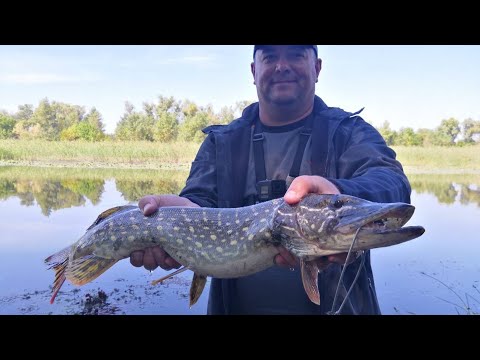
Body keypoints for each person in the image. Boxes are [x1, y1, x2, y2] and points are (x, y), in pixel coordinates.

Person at [129, 45, 411, 315]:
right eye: (270, 56)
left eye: (296, 55)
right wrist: (178, 215)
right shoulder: (221, 142)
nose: (282, 66)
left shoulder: (349, 132)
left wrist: (338, 193)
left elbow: (392, 182)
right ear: (254, 70)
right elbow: (199, 202)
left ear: (317, 67)